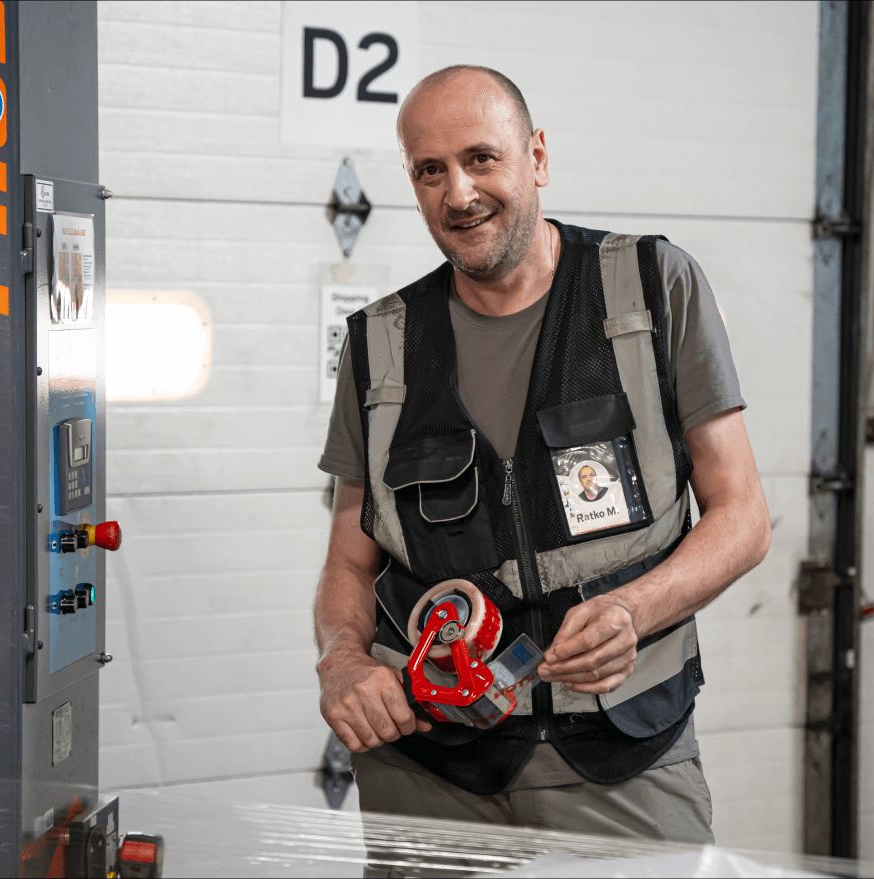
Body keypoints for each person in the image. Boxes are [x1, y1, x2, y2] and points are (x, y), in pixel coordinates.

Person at [314, 65, 771, 864]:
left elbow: (742, 517)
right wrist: (343, 663)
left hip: (619, 754)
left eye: (481, 158)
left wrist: (635, 607)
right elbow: (349, 563)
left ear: (537, 156)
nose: (458, 193)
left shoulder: (654, 288)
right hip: (429, 770)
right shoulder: (376, 346)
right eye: (430, 169)